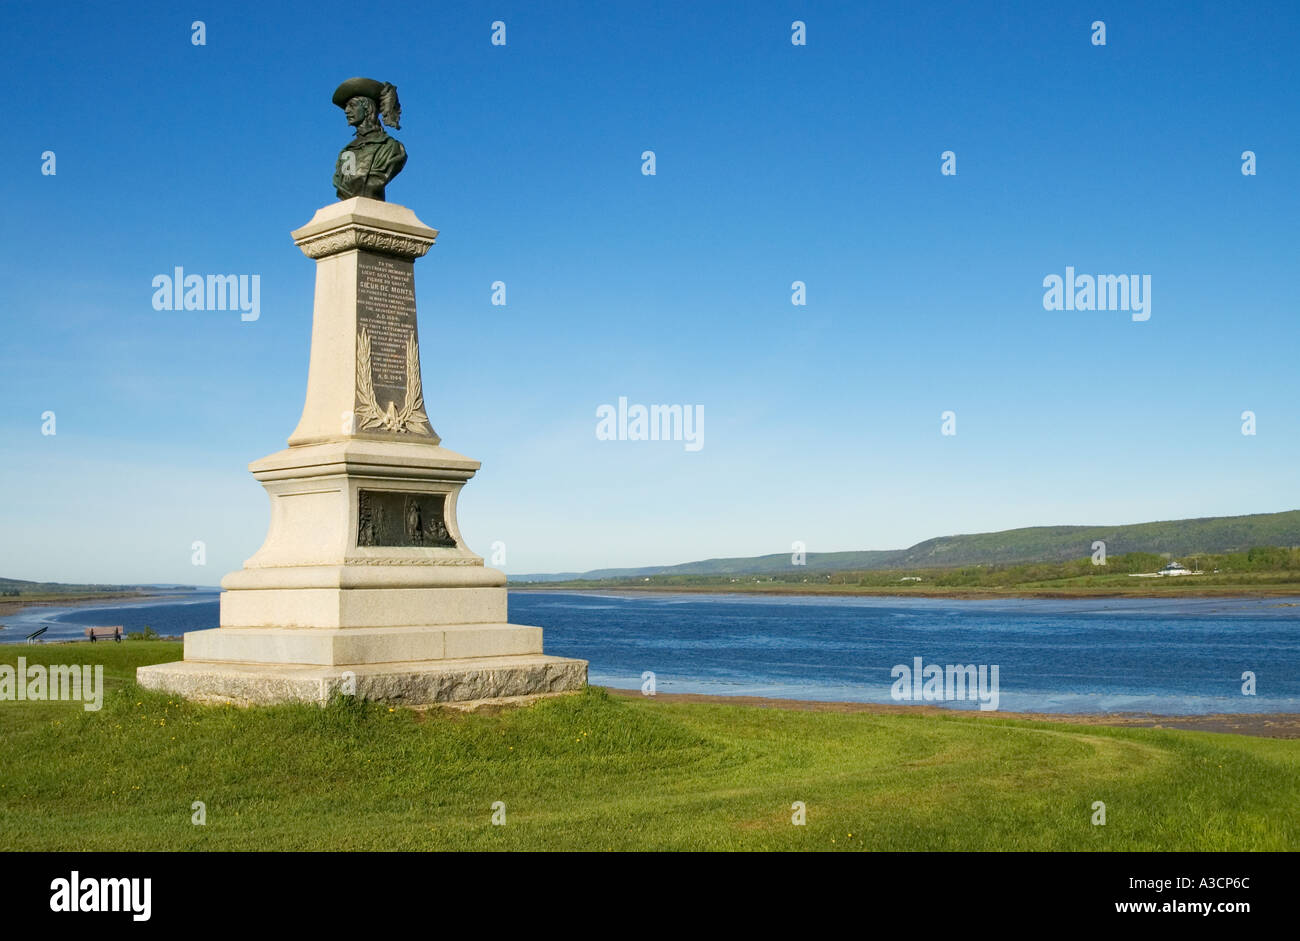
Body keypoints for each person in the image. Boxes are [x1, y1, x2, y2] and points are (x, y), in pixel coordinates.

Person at [331, 77, 407, 201]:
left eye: (352, 106)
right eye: (346, 107)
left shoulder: (391, 147)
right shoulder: (347, 153)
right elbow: (343, 185)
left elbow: (375, 181)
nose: (346, 111)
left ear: (367, 109)